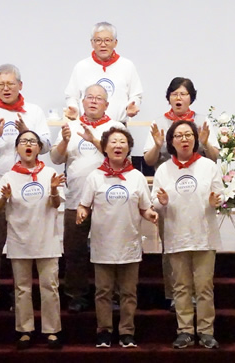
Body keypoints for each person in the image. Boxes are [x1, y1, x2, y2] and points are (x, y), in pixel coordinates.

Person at [0, 64, 51, 314]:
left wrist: (28, 133)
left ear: (20, 85)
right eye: (1, 84)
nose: (6, 88)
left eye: (10, 84)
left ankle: (22, 296)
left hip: (29, 190)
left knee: (25, 245)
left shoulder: (34, 111)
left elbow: (47, 145)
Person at [77, 128, 159, 348]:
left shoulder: (137, 177)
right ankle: (104, 331)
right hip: (103, 243)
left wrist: (150, 214)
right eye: (113, 141)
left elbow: (145, 207)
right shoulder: (94, 177)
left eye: (123, 142)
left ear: (128, 148)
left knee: (128, 292)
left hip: (129, 242)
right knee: (103, 292)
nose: (118, 145)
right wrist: (82, 212)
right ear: (104, 147)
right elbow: (84, 204)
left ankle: (126, 332)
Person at [143, 77, 218, 310]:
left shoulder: (203, 122)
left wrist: (205, 143)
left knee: (200, 246)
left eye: (183, 93)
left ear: (191, 98)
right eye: (174, 93)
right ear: (168, 97)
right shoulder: (158, 123)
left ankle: (198, 292)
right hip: (170, 193)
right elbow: (149, 160)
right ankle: (175, 294)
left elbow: (215, 157)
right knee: (171, 245)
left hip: (197, 192)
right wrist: (157, 145)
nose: (178, 98)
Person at [50, 84, 125, 313]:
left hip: (109, 200)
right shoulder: (70, 126)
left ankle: (111, 295)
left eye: (98, 98)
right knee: (75, 249)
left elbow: (121, 159)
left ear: (106, 104)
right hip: (76, 198)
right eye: (89, 97)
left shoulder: (115, 127)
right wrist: (64, 142)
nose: (93, 101)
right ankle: (76, 295)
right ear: (82, 102)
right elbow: (55, 158)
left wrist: (95, 141)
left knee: (110, 248)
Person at [151, 120, 224, 349]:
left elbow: (220, 194)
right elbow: (155, 202)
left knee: (204, 287)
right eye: (179, 135)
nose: (184, 139)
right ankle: (184, 331)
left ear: (195, 139)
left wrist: (216, 200)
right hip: (177, 235)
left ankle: (206, 331)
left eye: (188, 135)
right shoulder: (164, 169)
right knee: (181, 287)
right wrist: (161, 202)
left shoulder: (208, 166)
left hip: (204, 235)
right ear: (171, 142)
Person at [0, 130, 65, 350]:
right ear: (17, 148)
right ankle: (25, 330)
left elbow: (56, 204)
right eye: (24, 141)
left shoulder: (50, 173)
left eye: (33, 142)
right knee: (22, 288)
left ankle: (52, 331)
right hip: (19, 239)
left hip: (46, 239)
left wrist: (54, 190)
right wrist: (4, 197)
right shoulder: (9, 176)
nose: (28, 145)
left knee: (49, 287)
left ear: (39, 148)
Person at [64, 21, 143, 123]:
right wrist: (74, 108)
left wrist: (132, 105)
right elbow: (71, 95)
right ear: (92, 43)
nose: (103, 44)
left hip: (117, 127)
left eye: (107, 40)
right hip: (87, 126)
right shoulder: (81, 67)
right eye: (98, 40)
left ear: (115, 43)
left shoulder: (127, 66)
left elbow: (136, 94)